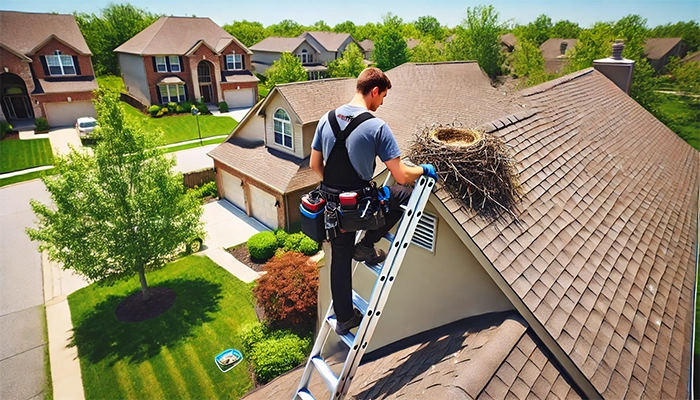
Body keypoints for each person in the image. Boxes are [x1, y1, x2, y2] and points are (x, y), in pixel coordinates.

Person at [310, 67, 437, 335]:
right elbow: (401, 176)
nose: (382, 103)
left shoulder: (327, 118)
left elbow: (315, 165)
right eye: (383, 97)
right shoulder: (377, 127)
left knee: (339, 259)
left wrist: (337, 190)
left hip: (334, 211)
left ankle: (344, 318)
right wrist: (424, 170)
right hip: (363, 210)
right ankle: (367, 244)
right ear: (375, 91)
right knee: (405, 195)